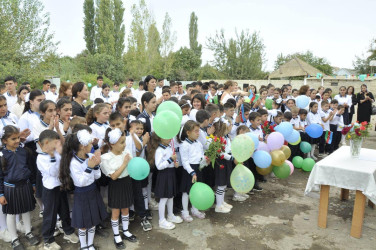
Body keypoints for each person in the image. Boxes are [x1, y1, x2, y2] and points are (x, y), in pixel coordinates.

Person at [59, 130, 107, 250]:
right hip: (81, 194)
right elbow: (80, 182)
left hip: (92, 192)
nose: (92, 146)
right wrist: (89, 168)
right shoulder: (74, 163)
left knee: (92, 221)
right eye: (90, 144)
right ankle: (83, 245)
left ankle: (90, 244)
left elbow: (97, 176)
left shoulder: (90, 156)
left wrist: (96, 166)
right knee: (83, 224)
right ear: (82, 146)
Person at [37, 130, 78, 250]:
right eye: (56, 142)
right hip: (50, 190)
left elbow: (65, 166)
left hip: (60, 187)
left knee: (64, 210)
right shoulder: (41, 158)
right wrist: (53, 157)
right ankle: (48, 240)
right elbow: (53, 172)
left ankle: (68, 231)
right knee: (50, 215)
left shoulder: (57, 153)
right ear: (46, 143)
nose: (58, 145)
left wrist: (61, 154)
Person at [0, 125, 39, 249]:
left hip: (25, 185)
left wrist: (33, 183)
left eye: (18, 138)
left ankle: (28, 232)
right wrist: (1, 194)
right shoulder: (1, 156)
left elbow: (31, 169)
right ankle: (14, 239)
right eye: (13, 139)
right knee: (11, 214)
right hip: (10, 189)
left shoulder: (24, 151)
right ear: (4, 140)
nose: (17, 141)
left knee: (26, 210)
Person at [101, 128, 137, 249]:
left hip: (127, 182)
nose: (124, 144)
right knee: (116, 212)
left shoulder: (126, 153)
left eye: (124, 141)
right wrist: (125, 163)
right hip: (116, 185)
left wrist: (131, 162)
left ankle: (126, 231)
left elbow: (133, 168)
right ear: (112, 144)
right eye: (121, 142)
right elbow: (114, 176)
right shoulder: (106, 158)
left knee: (125, 209)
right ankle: (116, 235)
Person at [147, 133, 183, 230]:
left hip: (171, 173)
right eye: (167, 136)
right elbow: (159, 166)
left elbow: (173, 162)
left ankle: (170, 215)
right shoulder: (159, 150)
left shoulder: (169, 147)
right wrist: (170, 159)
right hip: (164, 175)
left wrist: (176, 163)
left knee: (170, 196)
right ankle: (161, 220)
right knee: (164, 198)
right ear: (160, 138)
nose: (170, 137)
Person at [178, 121, 207, 221]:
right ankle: (185, 212)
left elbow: (201, 157)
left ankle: (195, 209)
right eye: (196, 131)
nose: (198, 133)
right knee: (187, 192)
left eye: (198, 131)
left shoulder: (198, 143)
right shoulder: (184, 145)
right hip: (189, 170)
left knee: (196, 191)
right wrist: (192, 172)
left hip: (198, 169)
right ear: (188, 132)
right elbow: (185, 161)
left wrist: (205, 160)